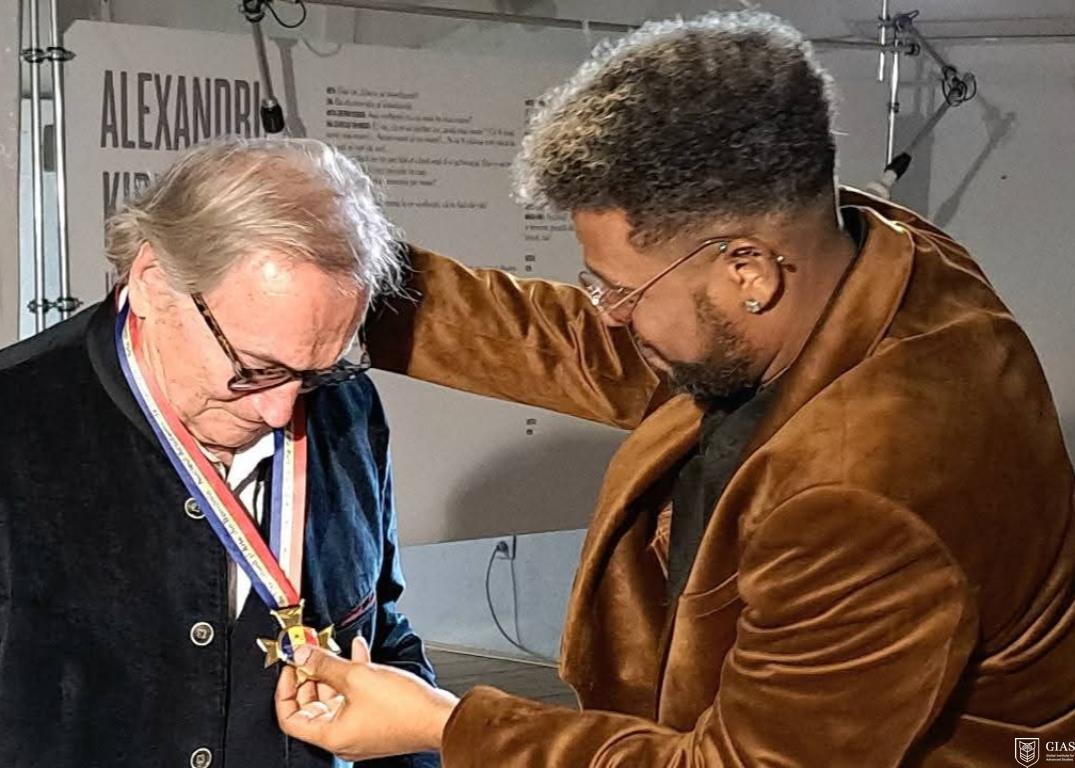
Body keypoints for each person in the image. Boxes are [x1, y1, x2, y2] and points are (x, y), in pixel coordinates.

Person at [274, 11, 1075, 767]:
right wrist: (322, 272)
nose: (607, 313)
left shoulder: (871, 487)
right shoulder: (858, 263)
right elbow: (585, 347)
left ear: (748, 271)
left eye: (620, 289)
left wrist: (444, 724)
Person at [0, 138, 439, 768]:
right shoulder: (16, 426)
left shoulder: (348, 409)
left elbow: (381, 628)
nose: (281, 411)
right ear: (153, 283)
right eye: (254, 368)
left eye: (317, 370)